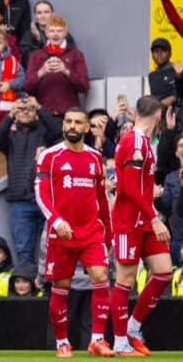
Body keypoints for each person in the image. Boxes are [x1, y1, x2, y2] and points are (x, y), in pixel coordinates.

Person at [35, 107, 114, 358]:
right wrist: (56, 221)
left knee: (101, 276)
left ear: (87, 128)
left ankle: (97, 340)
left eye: (78, 122)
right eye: (68, 121)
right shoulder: (50, 156)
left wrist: (109, 235)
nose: (71, 126)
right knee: (61, 285)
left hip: (91, 231)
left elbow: (102, 199)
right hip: (61, 233)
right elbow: (41, 193)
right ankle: (62, 343)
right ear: (63, 126)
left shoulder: (94, 158)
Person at [111, 95, 173, 357]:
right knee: (125, 279)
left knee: (163, 272)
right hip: (129, 221)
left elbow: (140, 186)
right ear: (158, 115)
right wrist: (154, 216)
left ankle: (133, 327)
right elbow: (128, 187)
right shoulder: (134, 141)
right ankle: (119, 341)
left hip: (144, 218)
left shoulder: (146, 142)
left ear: (136, 111)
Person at [0, 96, 61, 265]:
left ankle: (48, 288)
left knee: (53, 246)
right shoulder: (10, 135)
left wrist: (38, 107)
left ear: (36, 113)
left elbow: (58, 131)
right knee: (23, 249)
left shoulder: (45, 132)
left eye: (29, 109)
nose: (25, 112)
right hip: (19, 200)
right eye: (21, 110)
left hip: (45, 197)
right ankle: (27, 288)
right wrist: (10, 115)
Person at [23, 16, 89, 123]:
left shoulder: (76, 55)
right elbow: (26, 87)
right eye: (52, 31)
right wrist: (42, 72)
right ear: (46, 33)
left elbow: (84, 86)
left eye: (59, 30)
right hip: (42, 115)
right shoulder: (36, 55)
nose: (55, 34)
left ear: (65, 33)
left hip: (68, 116)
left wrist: (66, 71)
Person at [19, 0, 76, 69]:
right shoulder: (28, 35)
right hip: (37, 75)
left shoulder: (63, 34)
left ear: (53, 14)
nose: (43, 15)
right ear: (35, 15)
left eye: (46, 12)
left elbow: (71, 57)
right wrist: (37, 41)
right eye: (39, 13)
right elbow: (28, 61)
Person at [155, 133, 183, 267]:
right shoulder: (171, 178)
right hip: (178, 238)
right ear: (177, 152)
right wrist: (156, 198)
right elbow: (166, 208)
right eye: (181, 145)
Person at [148, 38, 182, 107]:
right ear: (152, 55)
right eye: (156, 51)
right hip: (158, 115)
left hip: (178, 115)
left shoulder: (178, 70)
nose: (159, 54)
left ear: (170, 53)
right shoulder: (152, 76)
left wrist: (173, 98)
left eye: (163, 50)